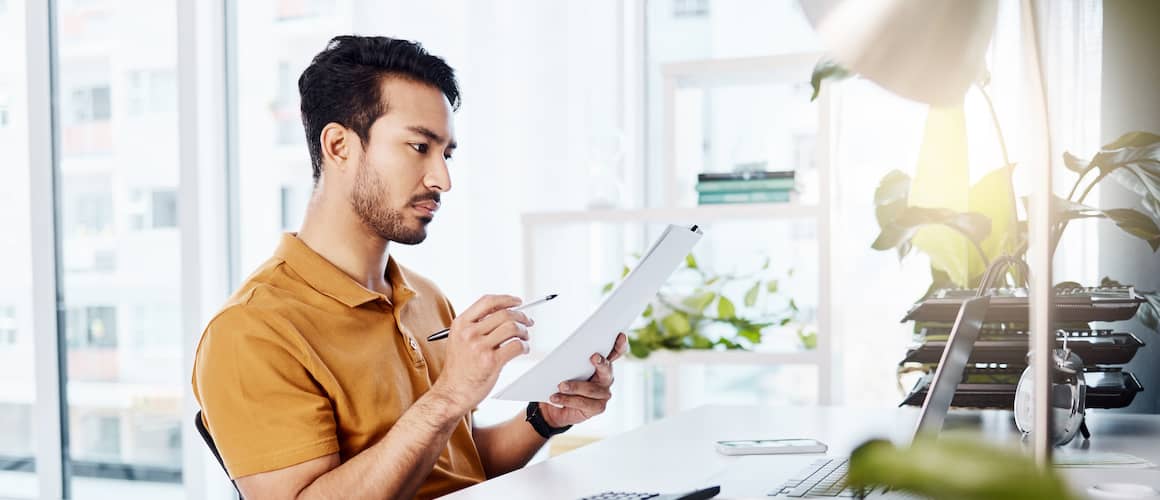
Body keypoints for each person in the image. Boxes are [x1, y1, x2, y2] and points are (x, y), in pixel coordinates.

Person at [192, 35, 628, 499]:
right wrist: (448, 398)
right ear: (339, 146)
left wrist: (544, 416)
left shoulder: (426, 298)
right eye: (420, 147)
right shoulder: (252, 331)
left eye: (447, 154)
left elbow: (455, 467)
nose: (442, 179)